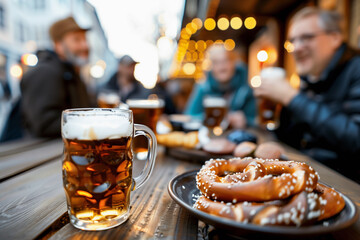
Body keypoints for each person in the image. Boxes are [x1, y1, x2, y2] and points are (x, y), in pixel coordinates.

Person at [253, 7, 360, 182]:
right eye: (293, 41)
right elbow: (291, 140)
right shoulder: (312, 79)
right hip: (310, 177)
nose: (296, 48)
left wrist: (292, 98)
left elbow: (356, 140)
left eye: (306, 37)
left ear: (335, 37)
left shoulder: (356, 69)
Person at [21, 16, 91, 137]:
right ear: (58, 45)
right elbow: (44, 124)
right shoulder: (45, 72)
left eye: (85, 39)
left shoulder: (72, 72)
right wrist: (93, 123)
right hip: (41, 152)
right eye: (77, 40)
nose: (85, 46)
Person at [185, 44, 256, 129]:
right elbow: (189, 117)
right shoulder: (203, 87)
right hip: (209, 135)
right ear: (210, 67)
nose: (222, 67)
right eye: (216, 62)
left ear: (234, 63)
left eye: (226, 61)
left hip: (239, 134)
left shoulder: (245, 87)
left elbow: (255, 119)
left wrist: (245, 120)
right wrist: (211, 118)